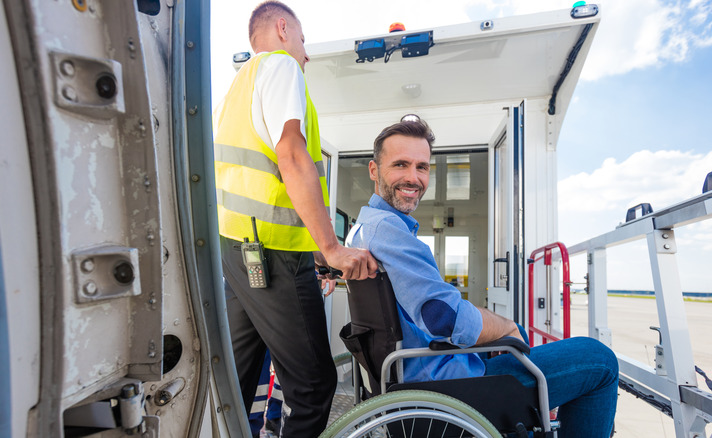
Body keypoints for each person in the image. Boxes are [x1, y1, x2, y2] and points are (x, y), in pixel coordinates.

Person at [346, 118, 619, 437]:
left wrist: (487, 338)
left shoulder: (362, 229)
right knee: (599, 360)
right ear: (374, 170)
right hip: (448, 388)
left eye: (422, 167)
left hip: (417, 374)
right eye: (400, 165)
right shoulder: (390, 233)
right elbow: (441, 317)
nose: (413, 177)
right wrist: (507, 328)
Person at [213, 2, 378, 436]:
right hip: (274, 253)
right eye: (303, 41)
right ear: (283, 29)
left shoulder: (235, 89)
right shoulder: (281, 68)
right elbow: (291, 154)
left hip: (238, 252)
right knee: (313, 385)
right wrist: (331, 247)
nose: (306, 54)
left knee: (234, 378)